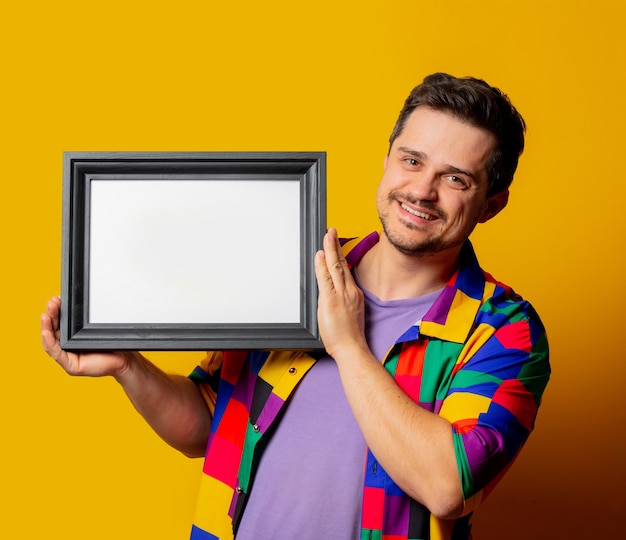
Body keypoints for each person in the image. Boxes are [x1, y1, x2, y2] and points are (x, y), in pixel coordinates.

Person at [41, 73, 550, 540]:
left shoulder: (505, 330)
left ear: (492, 203)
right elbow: (205, 421)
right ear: (388, 156)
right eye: (411, 160)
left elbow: (447, 486)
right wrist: (129, 366)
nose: (421, 190)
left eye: (455, 178)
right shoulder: (295, 272)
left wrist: (348, 345)